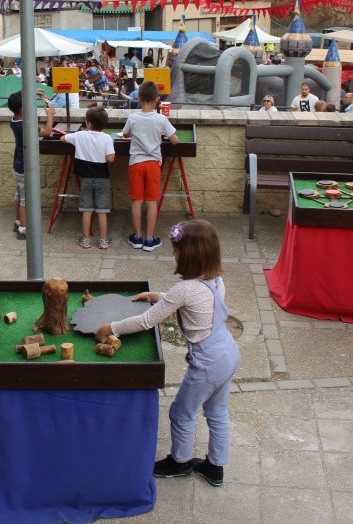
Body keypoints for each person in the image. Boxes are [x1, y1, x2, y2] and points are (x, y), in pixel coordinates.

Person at [94, 220, 239, 487]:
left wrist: (110, 327)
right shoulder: (216, 280)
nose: (173, 254)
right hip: (228, 353)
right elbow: (196, 300)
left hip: (207, 363)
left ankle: (180, 462)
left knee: (181, 412)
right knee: (217, 412)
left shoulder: (183, 289)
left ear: (190, 256)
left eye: (176, 251)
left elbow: (146, 322)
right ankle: (216, 467)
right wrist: (158, 295)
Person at [122, 80, 178, 251]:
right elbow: (175, 140)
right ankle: (149, 239)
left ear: (138, 97)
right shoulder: (161, 119)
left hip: (136, 163)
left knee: (137, 201)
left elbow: (125, 134)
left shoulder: (133, 117)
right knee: (152, 201)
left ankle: (137, 236)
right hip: (153, 164)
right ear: (157, 99)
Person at [61, 106, 116, 250]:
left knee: (86, 209)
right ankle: (103, 240)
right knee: (102, 211)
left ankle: (85, 240)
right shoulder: (107, 138)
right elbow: (110, 158)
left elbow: (63, 138)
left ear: (88, 122)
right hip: (102, 179)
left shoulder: (79, 135)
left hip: (85, 179)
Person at [7, 91, 55, 241]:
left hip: (18, 164)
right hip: (25, 167)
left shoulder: (14, 119)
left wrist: (31, 92)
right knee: (25, 199)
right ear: (23, 109)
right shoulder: (25, 126)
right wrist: (50, 114)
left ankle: (17, 221)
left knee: (19, 194)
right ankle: (23, 228)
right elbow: (47, 132)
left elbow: (17, 97)